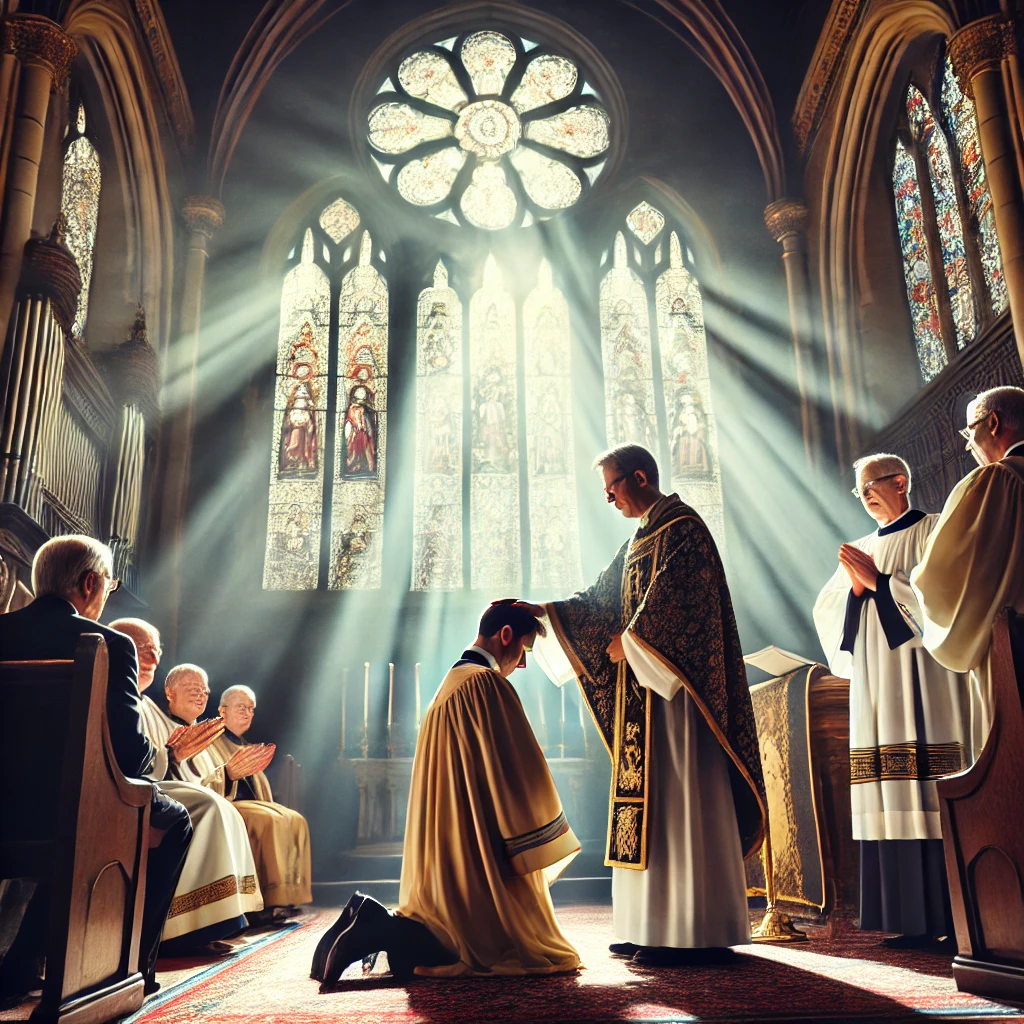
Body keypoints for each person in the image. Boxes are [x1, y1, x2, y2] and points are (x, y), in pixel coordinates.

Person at [524, 444, 765, 967]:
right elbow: (598, 601)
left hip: (680, 700)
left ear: (640, 476)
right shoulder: (639, 538)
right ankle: (648, 925)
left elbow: (683, 609)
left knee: (680, 803)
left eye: (613, 486)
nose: (608, 498)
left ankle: (692, 929)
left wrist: (631, 644)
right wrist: (541, 613)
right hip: (644, 698)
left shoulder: (684, 529)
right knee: (648, 809)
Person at [311, 601, 580, 985]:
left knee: (445, 922)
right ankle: (378, 927)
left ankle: (368, 918)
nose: (521, 665)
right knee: (490, 942)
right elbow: (518, 769)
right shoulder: (485, 683)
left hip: (446, 836)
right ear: (505, 635)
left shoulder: (451, 684)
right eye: (524, 650)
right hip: (476, 835)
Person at [0, 537, 191, 996]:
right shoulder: (109, 645)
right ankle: (132, 969)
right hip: (68, 810)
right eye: (109, 584)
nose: (107, 593)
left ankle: (23, 962)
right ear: (90, 583)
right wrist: (155, 752)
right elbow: (129, 757)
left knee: (77, 821)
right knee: (172, 820)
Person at [813, 454, 970, 947]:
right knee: (888, 791)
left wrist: (880, 584)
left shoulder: (934, 531)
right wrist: (858, 593)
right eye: (859, 491)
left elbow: (947, 598)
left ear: (900, 481)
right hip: (877, 687)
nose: (864, 497)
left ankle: (950, 917)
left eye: (871, 486)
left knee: (926, 786)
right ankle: (906, 920)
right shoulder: (860, 547)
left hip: (926, 682)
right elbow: (830, 609)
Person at [109, 620, 264, 952]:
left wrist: (227, 774)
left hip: (142, 783)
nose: (153, 656)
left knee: (216, 804)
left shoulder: (189, 724)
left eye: (157, 650)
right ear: (170, 692)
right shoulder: (140, 705)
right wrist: (174, 754)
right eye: (145, 649)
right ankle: (182, 927)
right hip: (121, 789)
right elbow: (138, 761)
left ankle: (214, 920)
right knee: (207, 806)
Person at [911, 385, 1024, 754]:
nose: (966, 444)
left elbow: (942, 578)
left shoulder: (999, 480)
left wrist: (914, 579)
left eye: (969, 430)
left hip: (1018, 649)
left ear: (993, 423)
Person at [199, 685, 313, 913]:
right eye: (241, 707)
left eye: (251, 709)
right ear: (222, 711)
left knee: (295, 819)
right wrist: (229, 776)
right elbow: (202, 780)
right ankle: (269, 902)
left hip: (254, 805)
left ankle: (290, 896)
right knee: (268, 820)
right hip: (227, 803)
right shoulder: (208, 741)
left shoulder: (248, 746)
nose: (247, 713)